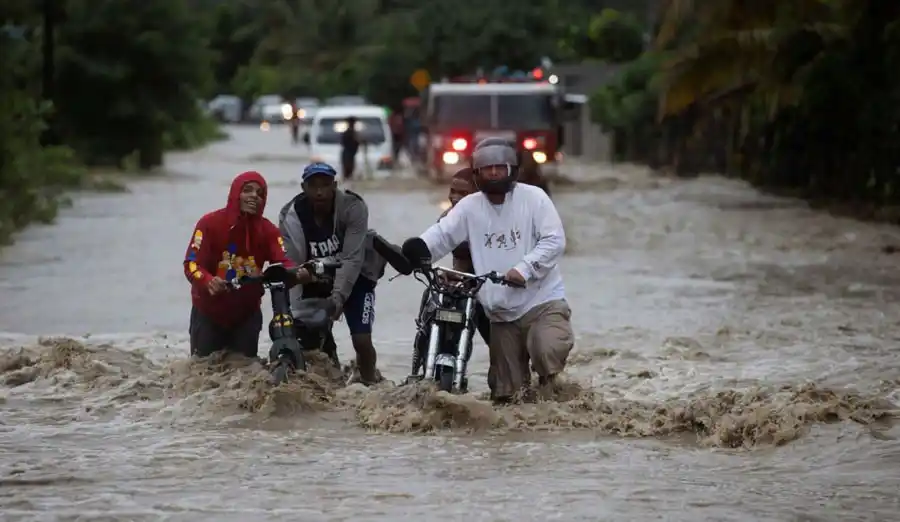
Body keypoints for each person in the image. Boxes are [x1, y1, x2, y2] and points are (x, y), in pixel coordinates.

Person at [403, 141, 573, 403]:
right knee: (507, 397)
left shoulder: (535, 198)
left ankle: (558, 404)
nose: (493, 173)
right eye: (487, 168)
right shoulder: (470, 207)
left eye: (499, 167)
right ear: (476, 174)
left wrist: (524, 269)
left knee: (545, 350)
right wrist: (416, 252)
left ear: (512, 170)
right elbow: (442, 235)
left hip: (541, 302)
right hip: (501, 315)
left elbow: (554, 240)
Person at [278, 162, 386, 385]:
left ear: (334, 186)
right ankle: (330, 382)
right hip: (315, 277)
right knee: (309, 340)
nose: (319, 192)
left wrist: (338, 298)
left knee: (362, 340)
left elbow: (352, 258)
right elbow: (291, 263)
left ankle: (370, 385)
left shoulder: (353, 207)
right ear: (303, 187)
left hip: (357, 277)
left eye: (325, 186)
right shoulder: (290, 216)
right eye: (313, 186)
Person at [183, 171, 296, 358]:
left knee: (244, 374)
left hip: (247, 315)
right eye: (247, 190)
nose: (254, 196)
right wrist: (207, 281)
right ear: (235, 194)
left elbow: (284, 261)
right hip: (208, 312)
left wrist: (298, 273)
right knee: (202, 374)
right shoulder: (209, 224)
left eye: (260, 193)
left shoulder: (268, 231)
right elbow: (191, 264)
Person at [340, 116, 360, 181]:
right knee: (348, 170)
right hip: (348, 153)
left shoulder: (353, 132)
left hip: (350, 154)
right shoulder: (348, 133)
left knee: (350, 171)